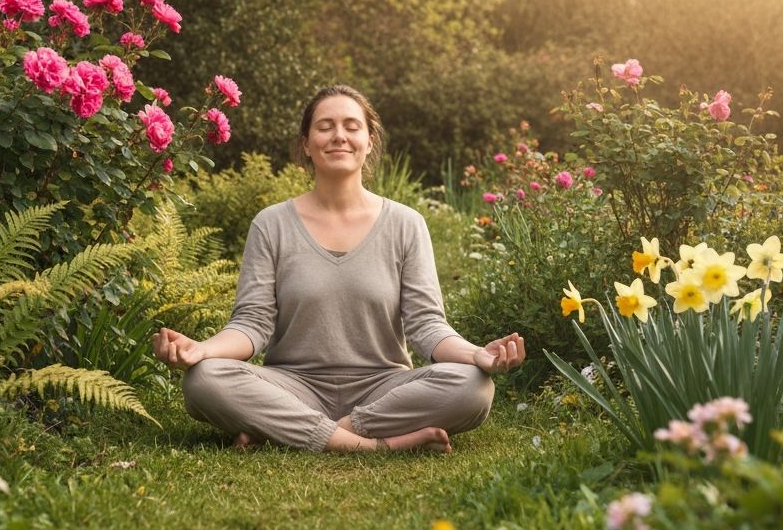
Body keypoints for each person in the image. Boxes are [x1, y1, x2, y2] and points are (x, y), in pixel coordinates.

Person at [152, 84, 525, 453]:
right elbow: (252, 325)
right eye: (325, 126)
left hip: (384, 389)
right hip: (292, 385)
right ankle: (376, 446)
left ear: (369, 140)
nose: (338, 136)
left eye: (351, 125)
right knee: (204, 378)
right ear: (306, 143)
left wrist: (476, 354)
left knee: (473, 386)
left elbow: (427, 326)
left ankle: (289, 430)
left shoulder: (406, 224)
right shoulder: (271, 225)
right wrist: (201, 350)